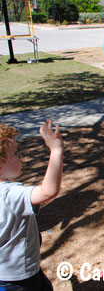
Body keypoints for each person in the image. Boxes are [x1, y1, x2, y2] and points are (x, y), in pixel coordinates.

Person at [0, 120, 64, 291]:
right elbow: (47, 191)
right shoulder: (8, 194)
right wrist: (56, 150)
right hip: (21, 278)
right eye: (15, 153)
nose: (20, 156)